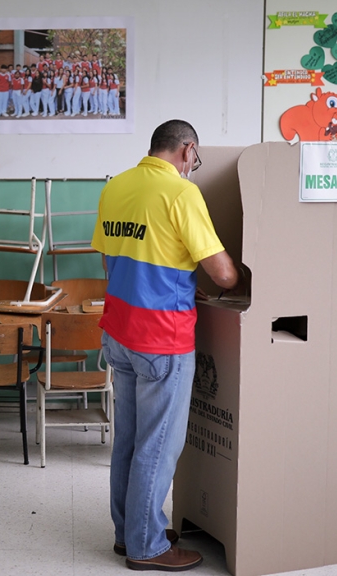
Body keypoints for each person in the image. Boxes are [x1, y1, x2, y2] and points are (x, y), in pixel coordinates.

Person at [92, 120, 238, 572]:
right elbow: (223, 274)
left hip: (119, 332)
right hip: (162, 340)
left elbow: (109, 259)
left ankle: (129, 532)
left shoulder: (116, 186)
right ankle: (148, 546)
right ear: (187, 150)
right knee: (158, 445)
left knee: (130, 442)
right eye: (194, 158)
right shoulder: (181, 193)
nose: (194, 165)